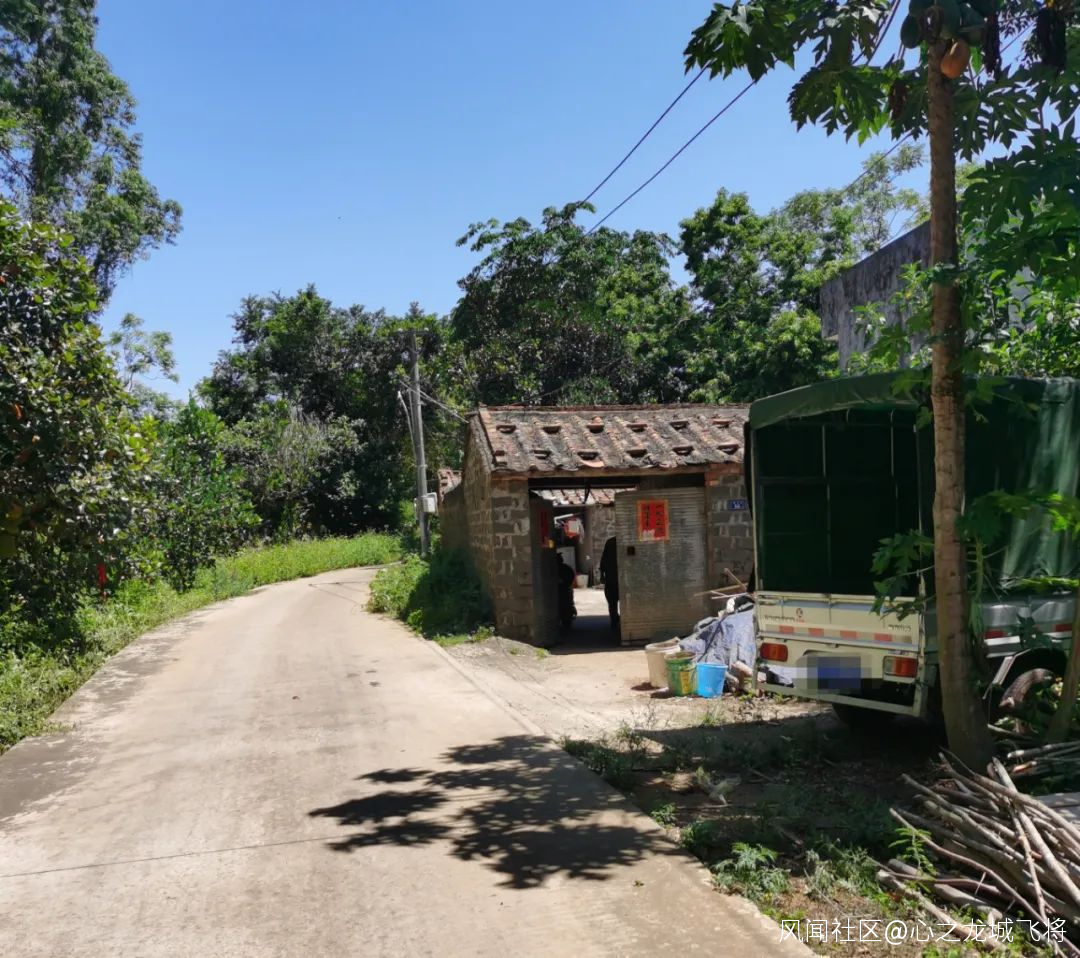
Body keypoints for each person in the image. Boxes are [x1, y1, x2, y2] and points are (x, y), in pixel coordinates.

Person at [599, 536, 619, 635]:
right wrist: (602, 576)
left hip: (611, 579)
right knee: (613, 603)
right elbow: (603, 561)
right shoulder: (611, 542)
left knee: (612, 603)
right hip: (613, 579)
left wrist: (602, 576)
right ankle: (616, 621)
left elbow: (603, 561)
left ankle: (614, 621)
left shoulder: (610, 542)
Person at [556, 554, 576, 633]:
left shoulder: (565, 568)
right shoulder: (555, 568)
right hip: (561, 591)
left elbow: (571, 577)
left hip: (565, 591)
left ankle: (566, 623)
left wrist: (564, 583)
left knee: (566, 607)